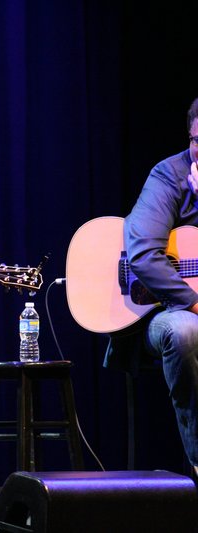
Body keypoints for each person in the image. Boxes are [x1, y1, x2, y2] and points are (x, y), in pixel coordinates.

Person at [110, 97, 198, 479]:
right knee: (185, 332)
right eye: (197, 140)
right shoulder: (169, 175)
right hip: (161, 312)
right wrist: (193, 303)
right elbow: (144, 255)